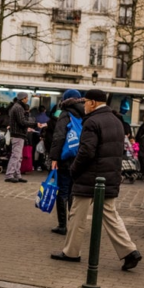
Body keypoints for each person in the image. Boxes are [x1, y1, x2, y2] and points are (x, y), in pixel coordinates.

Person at [51, 89, 141, 271]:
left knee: (77, 215)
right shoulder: (116, 120)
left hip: (90, 177)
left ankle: (71, 252)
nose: (83, 105)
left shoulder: (92, 122)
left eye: (85, 102)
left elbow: (86, 151)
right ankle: (130, 251)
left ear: (92, 102)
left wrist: (74, 169)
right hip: (109, 176)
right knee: (111, 215)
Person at [48, 89, 84, 236]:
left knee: (62, 189)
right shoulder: (86, 113)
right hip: (80, 157)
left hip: (66, 157)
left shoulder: (65, 114)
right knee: (73, 191)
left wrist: (54, 158)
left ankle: (62, 225)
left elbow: (59, 137)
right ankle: (74, 223)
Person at [4, 92, 34, 183]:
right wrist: (35, 124)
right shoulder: (18, 108)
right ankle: (10, 174)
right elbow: (22, 122)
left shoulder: (17, 107)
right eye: (26, 98)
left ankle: (17, 174)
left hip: (18, 134)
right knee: (16, 156)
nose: (27, 99)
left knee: (18, 156)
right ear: (23, 98)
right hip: (18, 135)